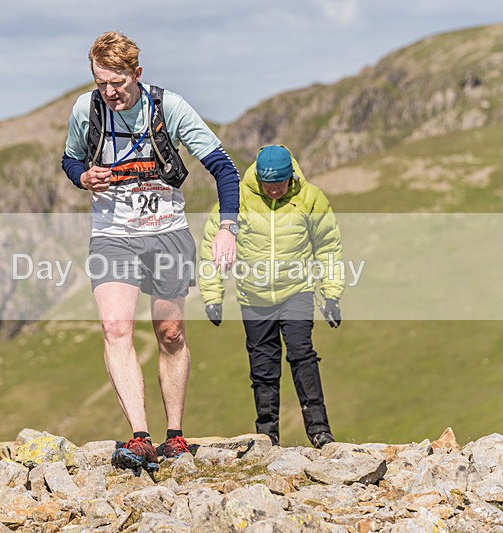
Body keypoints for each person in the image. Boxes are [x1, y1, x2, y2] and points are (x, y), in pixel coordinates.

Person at [61, 31, 240, 472]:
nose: (109, 92)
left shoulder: (169, 108)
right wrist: (83, 178)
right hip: (113, 234)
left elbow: (224, 168)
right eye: (101, 82)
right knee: (116, 328)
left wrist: (228, 229)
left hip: (167, 232)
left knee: (170, 333)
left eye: (117, 82)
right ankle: (140, 436)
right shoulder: (87, 110)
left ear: (136, 73)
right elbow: (69, 160)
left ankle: (174, 435)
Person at [198, 144, 343, 448]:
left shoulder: (310, 198)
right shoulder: (236, 199)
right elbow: (213, 244)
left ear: (291, 176)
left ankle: (319, 430)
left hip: (297, 291)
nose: (275, 190)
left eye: (280, 184)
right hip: (254, 296)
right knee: (263, 367)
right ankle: (267, 435)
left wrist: (331, 294)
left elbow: (328, 246)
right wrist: (213, 295)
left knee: (302, 354)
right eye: (268, 185)